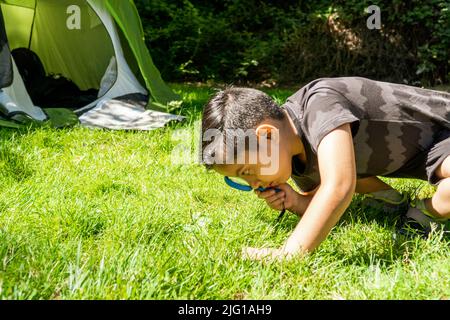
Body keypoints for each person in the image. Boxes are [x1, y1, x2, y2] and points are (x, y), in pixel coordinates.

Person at [200, 77, 450, 260]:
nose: (254, 184)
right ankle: (392, 202)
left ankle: (427, 211)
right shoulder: (294, 156)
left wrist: (290, 253)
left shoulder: (319, 105)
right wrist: (297, 201)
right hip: (423, 157)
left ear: (267, 136)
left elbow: (338, 186)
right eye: (240, 180)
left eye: (247, 172)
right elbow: (323, 198)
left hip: (442, 130)